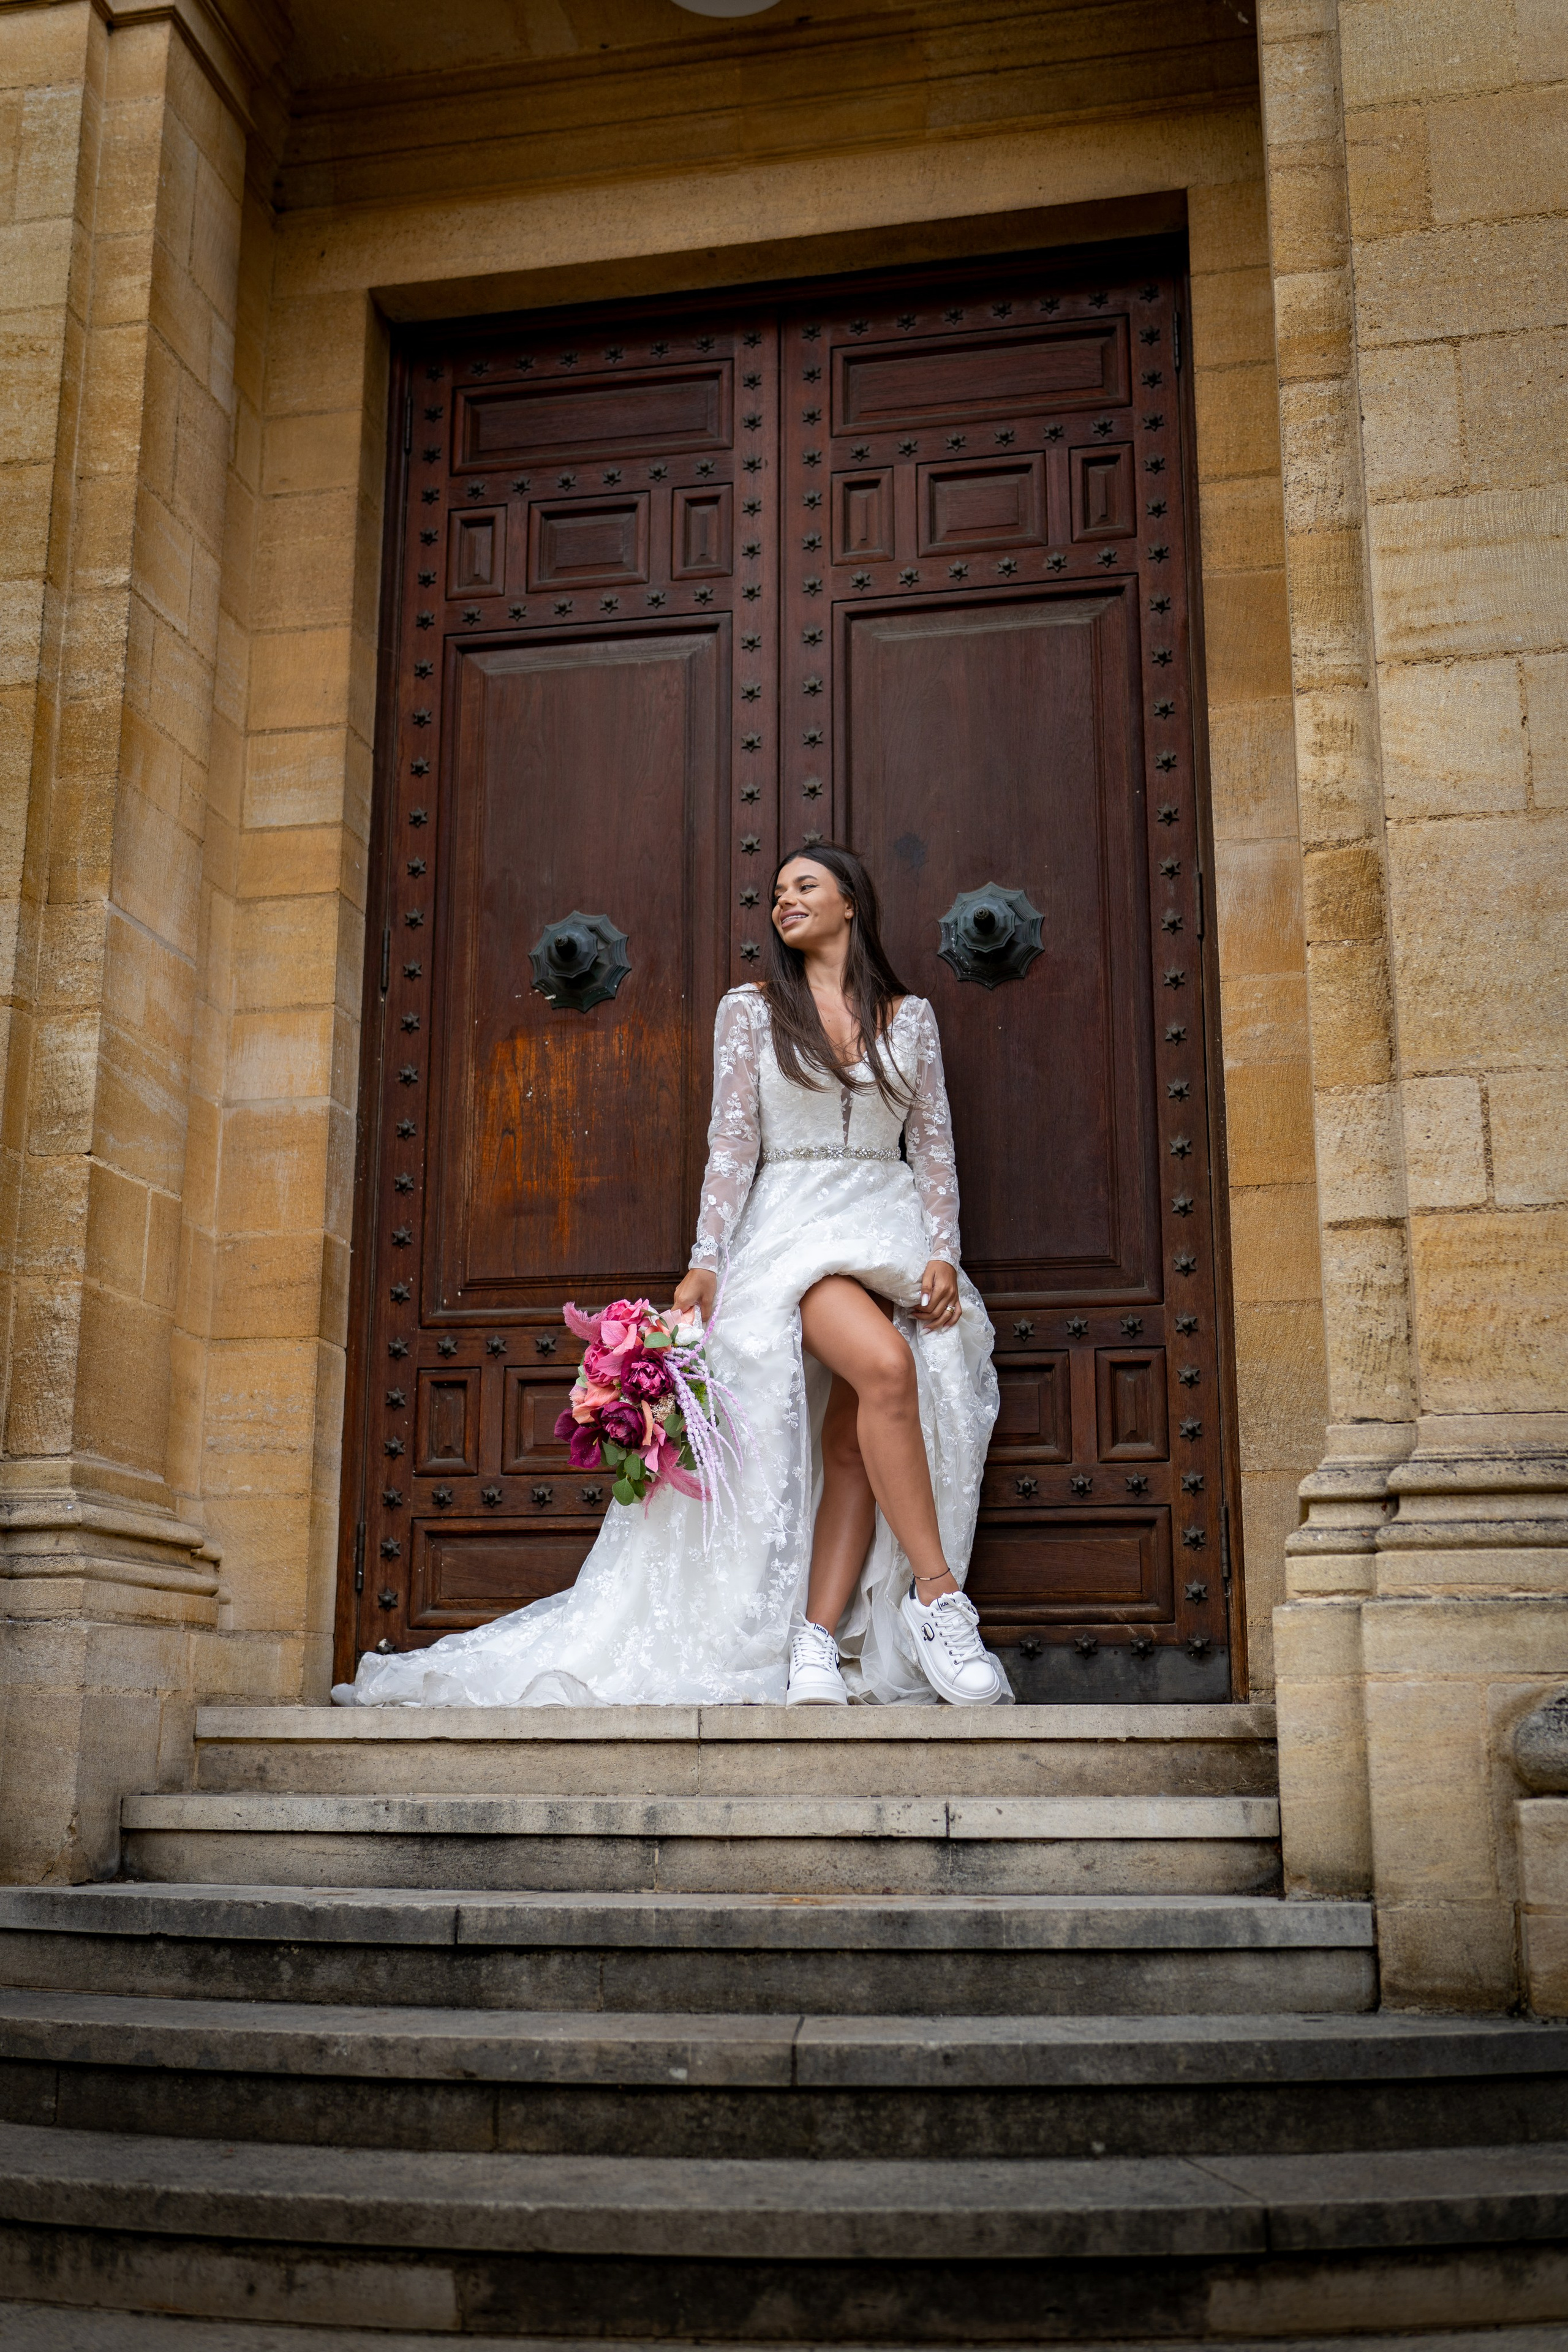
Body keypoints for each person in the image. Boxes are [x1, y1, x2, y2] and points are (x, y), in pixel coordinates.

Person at [333, 843, 1007, 1709]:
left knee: (849, 1441)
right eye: (776, 894)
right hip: (798, 1231)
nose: (784, 902)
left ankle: (813, 1641)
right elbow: (733, 1141)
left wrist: (943, 1248)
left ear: (850, 904)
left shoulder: (909, 1020)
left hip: (890, 1228)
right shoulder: (753, 1010)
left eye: (805, 887)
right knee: (885, 1368)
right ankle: (938, 1598)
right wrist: (706, 1260)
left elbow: (936, 1142)